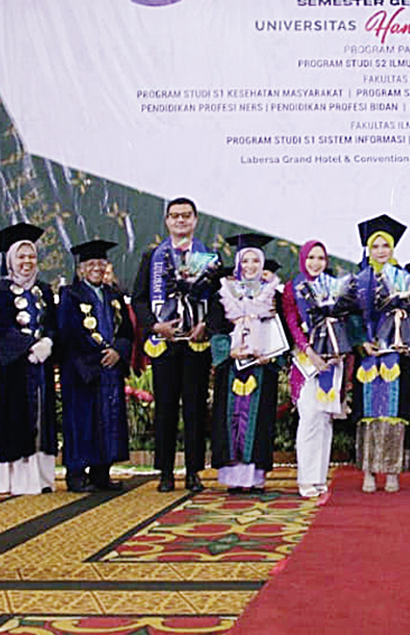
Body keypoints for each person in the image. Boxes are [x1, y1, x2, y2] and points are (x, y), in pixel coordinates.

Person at [130, 197, 221, 493]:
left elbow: (219, 299)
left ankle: (193, 471)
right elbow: (139, 299)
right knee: (165, 409)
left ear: (195, 220)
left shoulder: (209, 258)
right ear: (167, 221)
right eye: (175, 215)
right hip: (165, 343)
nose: (180, 220)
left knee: (195, 409)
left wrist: (206, 325)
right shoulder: (153, 256)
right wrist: (154, 326)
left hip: (196, 343)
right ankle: (166, 473)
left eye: (186, 215)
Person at [339, 214, 410, 493]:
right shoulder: (358, 280)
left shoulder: (405, 279)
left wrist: (406, 335)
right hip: (369, 356)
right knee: (368, 416)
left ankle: (393, 470)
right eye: (376, 246)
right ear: (368, 249)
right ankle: (369, 471)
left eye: (386, 245)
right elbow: (351, 317)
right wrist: (361, 342)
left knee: (395, 416)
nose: (381, 251)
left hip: (396, 355)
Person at [0, 222, 59, 495]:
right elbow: (0, 329)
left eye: (31, 256)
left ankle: (41, 478)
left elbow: (52, 323)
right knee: (16, 417)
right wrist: (29, 347)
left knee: (41, 417)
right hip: (14, 369)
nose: (27, 262)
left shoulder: (44, 290)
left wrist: (48, 341)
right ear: (10, 261)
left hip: (40, 367)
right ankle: (16, 479)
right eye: (21, 257)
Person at [57, 239, 133, 492]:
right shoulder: (70, 295)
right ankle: (76, 474)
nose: (97, 268)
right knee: (82, 422)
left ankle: (102, 472)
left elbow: (127, 330)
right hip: (81, 372)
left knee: (108, 420)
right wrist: (96, 358)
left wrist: (118, 351)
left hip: (110, 371)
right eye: (91, 264)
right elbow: (67, 333)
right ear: (81, 269)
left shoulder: (114, 295)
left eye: (101, 263)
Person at [212, 232, 284, 493]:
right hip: (233, 367)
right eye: (245, 261)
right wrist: (228, 351)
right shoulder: (224, 292)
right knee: (230, 418)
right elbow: (215, 327)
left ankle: (255, 478)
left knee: (259, 420)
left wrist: (272, 354)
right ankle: (233, 478)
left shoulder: (272, 294)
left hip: (261, 367)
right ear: (238, 264)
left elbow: (281, 330)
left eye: (255, 261)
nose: (250, 266)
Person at [281, 239, 350, 499]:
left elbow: (341, 322)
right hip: (306, 362)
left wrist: (335, 352)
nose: (316, 263)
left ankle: (319, 478)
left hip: (331, 362)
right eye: (311, 257)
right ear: (303, 259)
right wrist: (311, 353)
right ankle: (306, 479)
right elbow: (292, 323)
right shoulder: (293, 288)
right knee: (309, 417)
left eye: (321, 258)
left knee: (324, 420)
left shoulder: (334, 287)